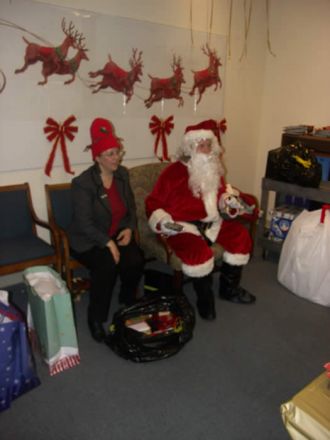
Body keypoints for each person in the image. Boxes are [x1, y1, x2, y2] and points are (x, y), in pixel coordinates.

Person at [145, 120, 258, 321]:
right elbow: (153, 203)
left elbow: (221, 193)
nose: (206, 150)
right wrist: (163, 221)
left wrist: (227, 201)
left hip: (213, 223)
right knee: (198, 254)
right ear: (190, 147)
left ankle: (229, 289)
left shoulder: (214, 169)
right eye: (201, 145)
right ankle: (204, 300)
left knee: (240, 236)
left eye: (208, 145)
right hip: (183, 226)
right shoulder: (173, 173)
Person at [68, 117, 144, 342]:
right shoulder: (83, 183)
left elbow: (131, 208)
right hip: (87, 239)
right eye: (110, 154)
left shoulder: (123, 175)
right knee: (106, 266)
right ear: (97, 158)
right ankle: (95, 317)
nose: (117, 157)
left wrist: (129, 229)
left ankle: (127, 300)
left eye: (117, 151)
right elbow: (84, 223)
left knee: (136, 260)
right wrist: (108, 242)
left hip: (116, 233)